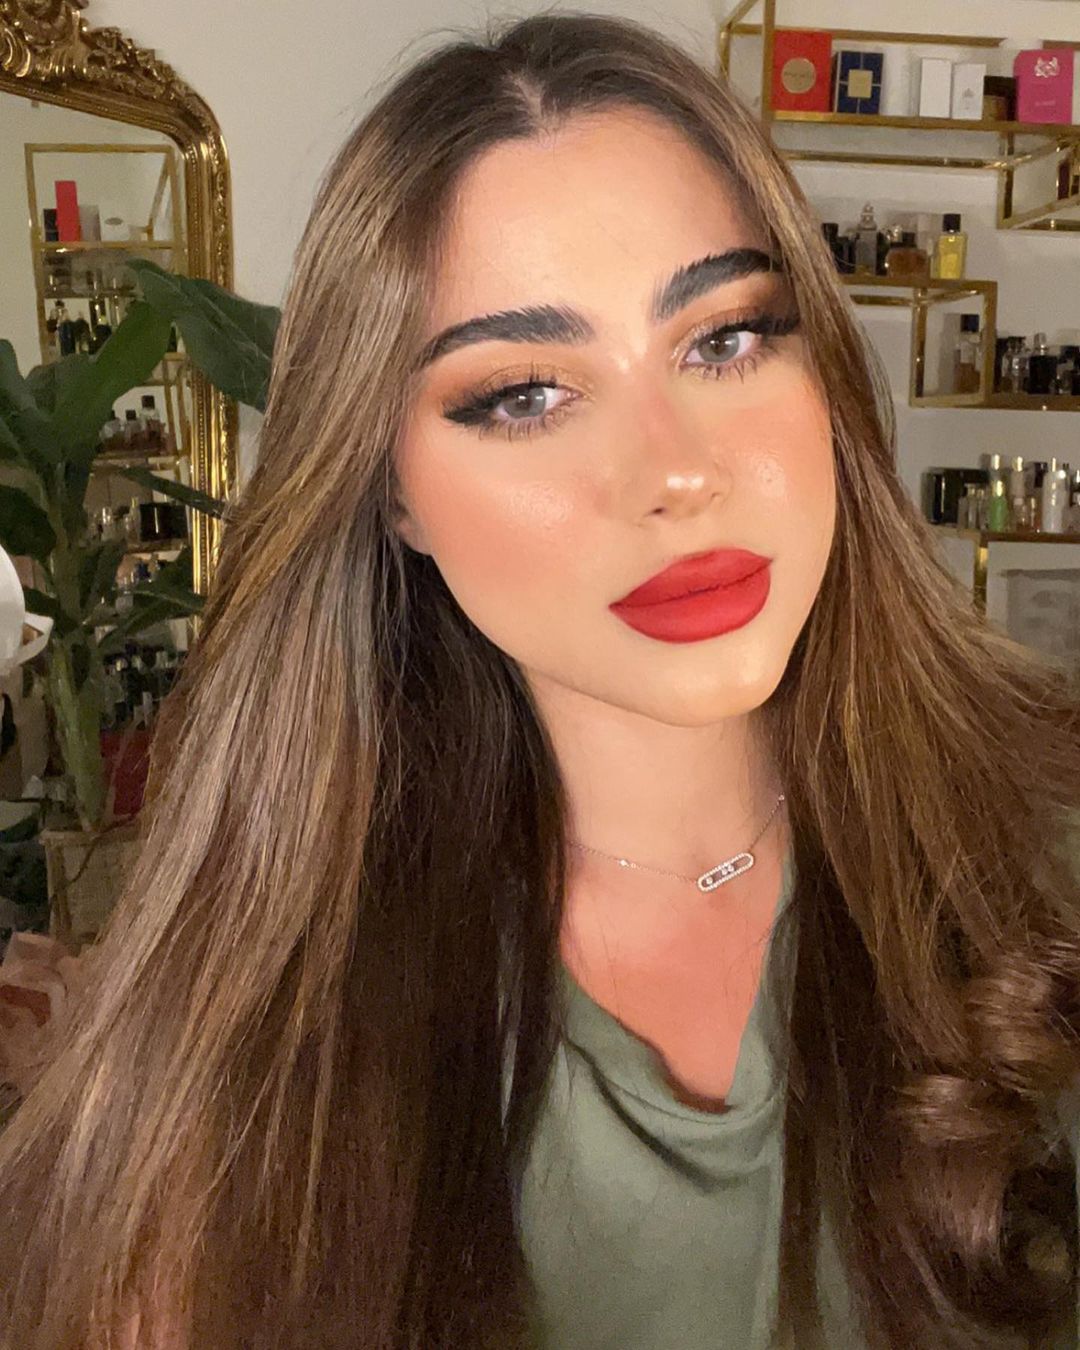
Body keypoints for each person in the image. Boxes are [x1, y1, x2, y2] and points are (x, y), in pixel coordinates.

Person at [1, 10, 1079, 1348]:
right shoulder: (257, 1038)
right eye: (525, 394)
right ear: (392, 492)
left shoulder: (1041, 858)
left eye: (726, 339)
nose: (674, 470)